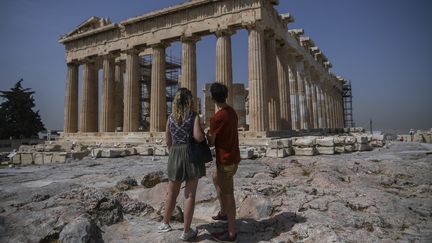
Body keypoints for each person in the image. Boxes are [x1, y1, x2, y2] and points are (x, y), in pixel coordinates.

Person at [158, 88, 205, 241]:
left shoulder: (170, 117)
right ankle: (186, 231)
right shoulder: (193, 116)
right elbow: (198, 137)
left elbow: (167, 139)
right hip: (190, 153)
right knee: (189, 194)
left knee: (171, 192)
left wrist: (173, 153)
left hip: (175, 153)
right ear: (190, 101)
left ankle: (165, 223)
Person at [206, 82, 241, 242]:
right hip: (233, 158)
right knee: (215, 178)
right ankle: (223, 212)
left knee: (229, 195)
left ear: (212, 97)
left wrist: (206, 134)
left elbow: (211, 143)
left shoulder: (217, 117)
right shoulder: (232, 112)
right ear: (226, 95)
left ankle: (231, 233)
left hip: (225, 160)